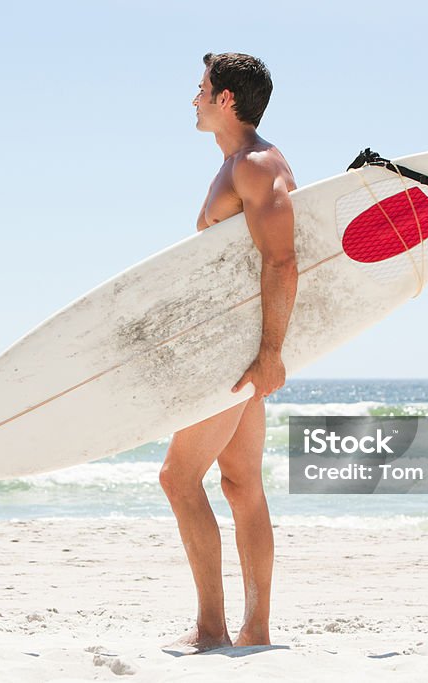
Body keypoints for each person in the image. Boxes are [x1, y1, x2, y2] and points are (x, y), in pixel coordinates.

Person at [159, 52, 297, 653]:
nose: (193, 98)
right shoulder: (241, 165)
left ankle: (213, 629)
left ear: (225, 100)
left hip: (236, 352)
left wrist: (270, 355)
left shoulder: (256, 166)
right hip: (237, 345)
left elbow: (283, 260)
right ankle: (255, 629)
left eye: (201, 89)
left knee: (177, 477)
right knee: (241, 483)